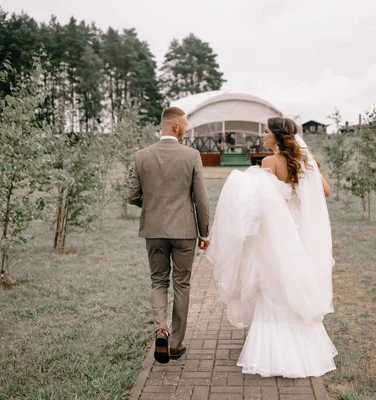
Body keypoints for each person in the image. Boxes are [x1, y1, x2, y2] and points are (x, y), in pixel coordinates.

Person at [206, 117, 337, 378]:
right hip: (299, 230)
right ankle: (304, 346)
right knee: (294, 281)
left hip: (276, 232)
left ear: (276, 136)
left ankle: (271, 350)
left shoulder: (268, 163)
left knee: (272, 285)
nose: (262, 136)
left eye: (265, 132)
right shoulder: (304, 162)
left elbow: (258, 203)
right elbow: (324, 191)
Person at [127, 106, 210, 364]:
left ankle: (160, 329)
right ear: (175, 126)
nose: (186, 128)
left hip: (153, 231)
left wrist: (152, 207)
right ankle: (175, 344)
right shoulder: (191, 155)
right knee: (182, 284)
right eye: (185, 124)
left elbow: (132, 196)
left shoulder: (142, 156)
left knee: (158, 281)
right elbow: (201, 200)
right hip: (184, 231)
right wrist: (204, 232)